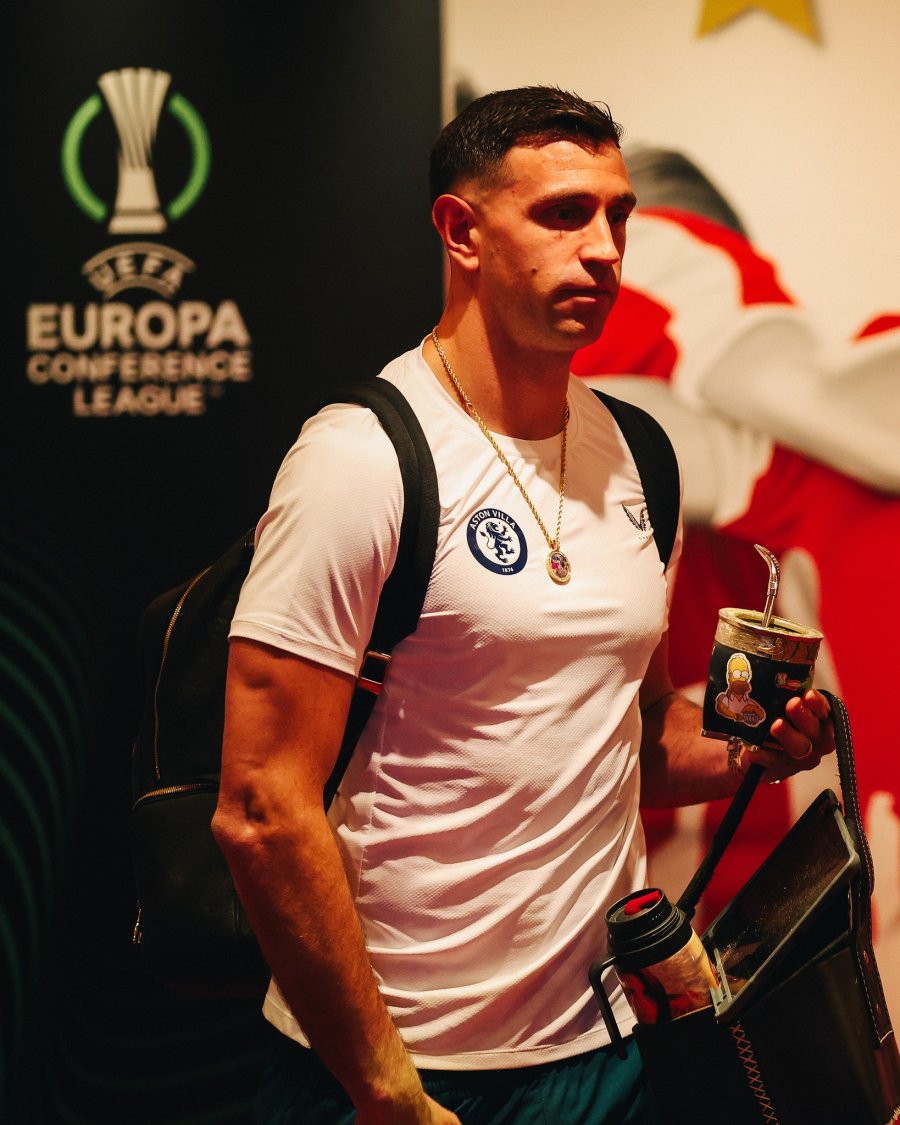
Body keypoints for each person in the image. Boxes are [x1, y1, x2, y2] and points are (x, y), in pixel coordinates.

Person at [211, 87, 834, 1125]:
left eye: (618, 215)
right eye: (563, 214)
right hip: (391, 1065)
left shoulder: (640, 454)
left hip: (604, 1050)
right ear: (461, 231)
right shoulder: (360, 459)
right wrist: (385, 1088)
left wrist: (749, 747)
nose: (604, 250)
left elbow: (633, 734)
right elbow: (262, 806)